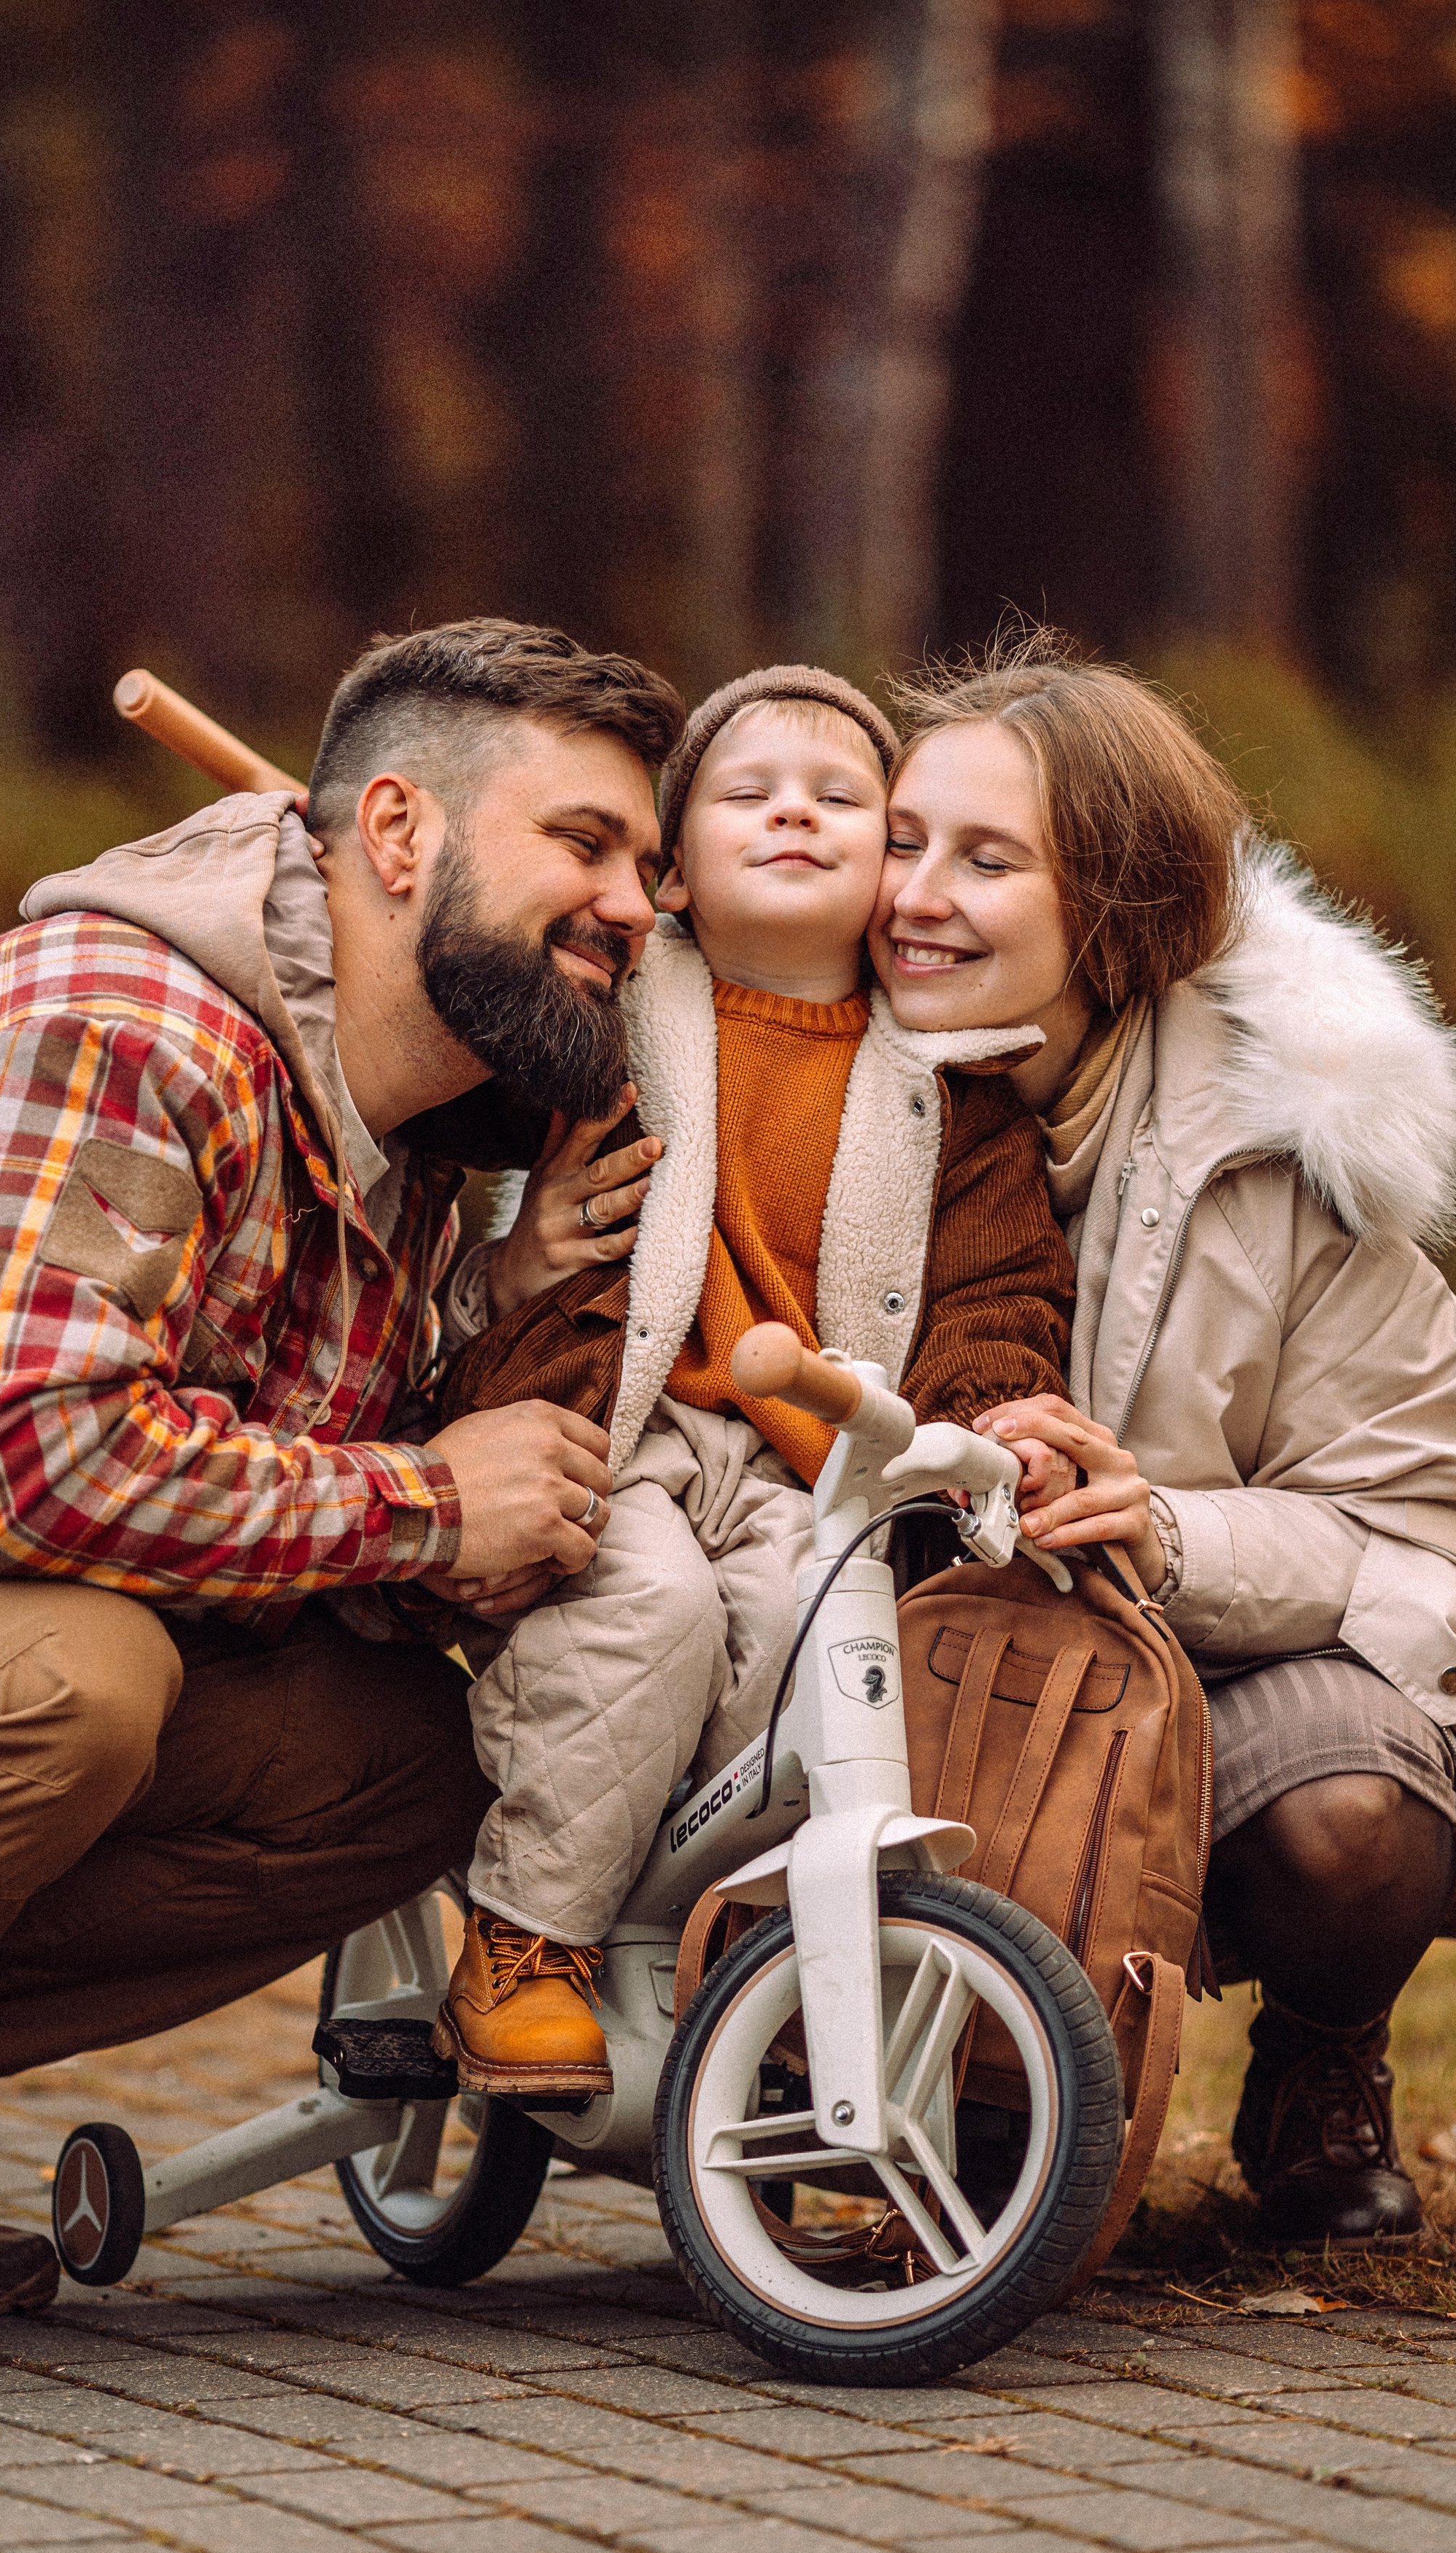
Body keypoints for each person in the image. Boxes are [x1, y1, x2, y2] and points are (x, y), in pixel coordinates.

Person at [0, 617, 684, 2374]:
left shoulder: (394, 1147)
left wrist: (490, 1387)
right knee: (62, 1687)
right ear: (396, 835)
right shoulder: (118, 1032)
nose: (637, 905)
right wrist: (429, 1505)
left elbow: (270, 1518)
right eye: (585, 844)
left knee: (403, 1757)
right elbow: (22, 1462)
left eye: (653, 866)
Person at [861, 636, 1456, 2249]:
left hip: (1184, 1683)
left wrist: (1161, 1529)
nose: (913, 893)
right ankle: (922, 2055)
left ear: (1107, 906)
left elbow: (1416, 1522)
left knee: (1355, 1816)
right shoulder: (782, 1073)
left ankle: (1317, 2062)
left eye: (984, 859)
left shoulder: (1279, 1149)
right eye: (901, 839)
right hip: (859, 1669)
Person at [426, 667, 1077, 2096]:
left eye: (842, 800)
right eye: (748, 794)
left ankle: (730, 1950)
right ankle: (528, 1931)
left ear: (884, 871)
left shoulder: (945, 1085)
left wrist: (990, 1418)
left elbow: (996, 1287)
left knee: (810, 1653)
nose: (794, 812)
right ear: (670, 867)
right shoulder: (595, 1021)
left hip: (807, 1466)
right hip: (612, 1427)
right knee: (639, 1613)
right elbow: (451, 1072)